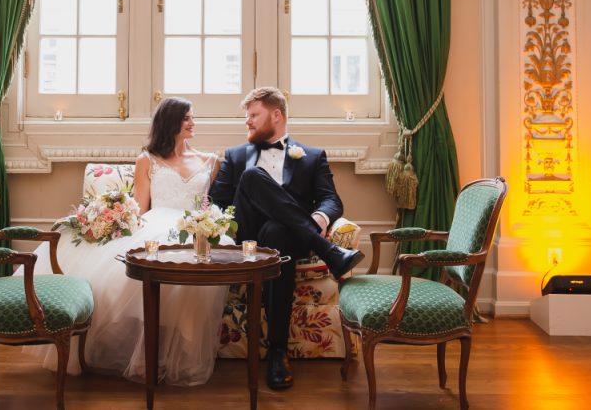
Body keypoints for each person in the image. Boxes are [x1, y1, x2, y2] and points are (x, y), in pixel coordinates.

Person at [22, 96, 229, 386]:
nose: (193, 123)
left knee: (191, 272)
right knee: (130, 273)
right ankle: (145, 356)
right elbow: (141, 208)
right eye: (187, 118)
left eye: (193, 117)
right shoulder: (147, 159)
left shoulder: (210, 161)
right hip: (155, 224)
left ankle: (179, 354)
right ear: (170, 123)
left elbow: (207, 205)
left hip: (193, 228)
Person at [209, 86, 364, 390]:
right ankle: (329, 252)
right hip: (248, 234)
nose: (248, 122)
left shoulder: (312, 156)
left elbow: (332, 201)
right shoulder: (236, 156)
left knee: (277, 231)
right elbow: (216, 201)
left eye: (254, 115)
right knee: (252, 177)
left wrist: (319, 217)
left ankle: (277, 352)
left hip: (286, 239)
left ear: (276, 115)